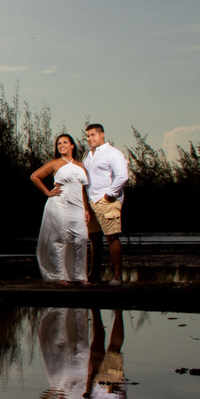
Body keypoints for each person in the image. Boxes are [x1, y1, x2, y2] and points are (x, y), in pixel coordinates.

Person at [30, 134, 91, 284]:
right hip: (60, 204)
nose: (61, 145)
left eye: (65, 142)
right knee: (60, 238)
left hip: (77, 206)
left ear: (72, 145)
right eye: (58, 144)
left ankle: (79, 276)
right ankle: (59, 276)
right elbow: (34, 177)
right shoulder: (55, 163)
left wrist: (87, 208)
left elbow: (83, 189)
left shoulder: (80, 165)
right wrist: (48, 192)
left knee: (82, 239)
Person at [82, 123, 128, 286]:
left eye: (93, 135)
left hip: (107, 200)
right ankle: (94, 274)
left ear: (102, 135)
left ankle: (117, 276)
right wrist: (86, 203)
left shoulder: (113, 153)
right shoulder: (88, 154)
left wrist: (109, 194)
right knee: (94, 238)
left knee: (111, 236)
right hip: (91, 200)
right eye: (88, 136)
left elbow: (122, 176)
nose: (90, 138)